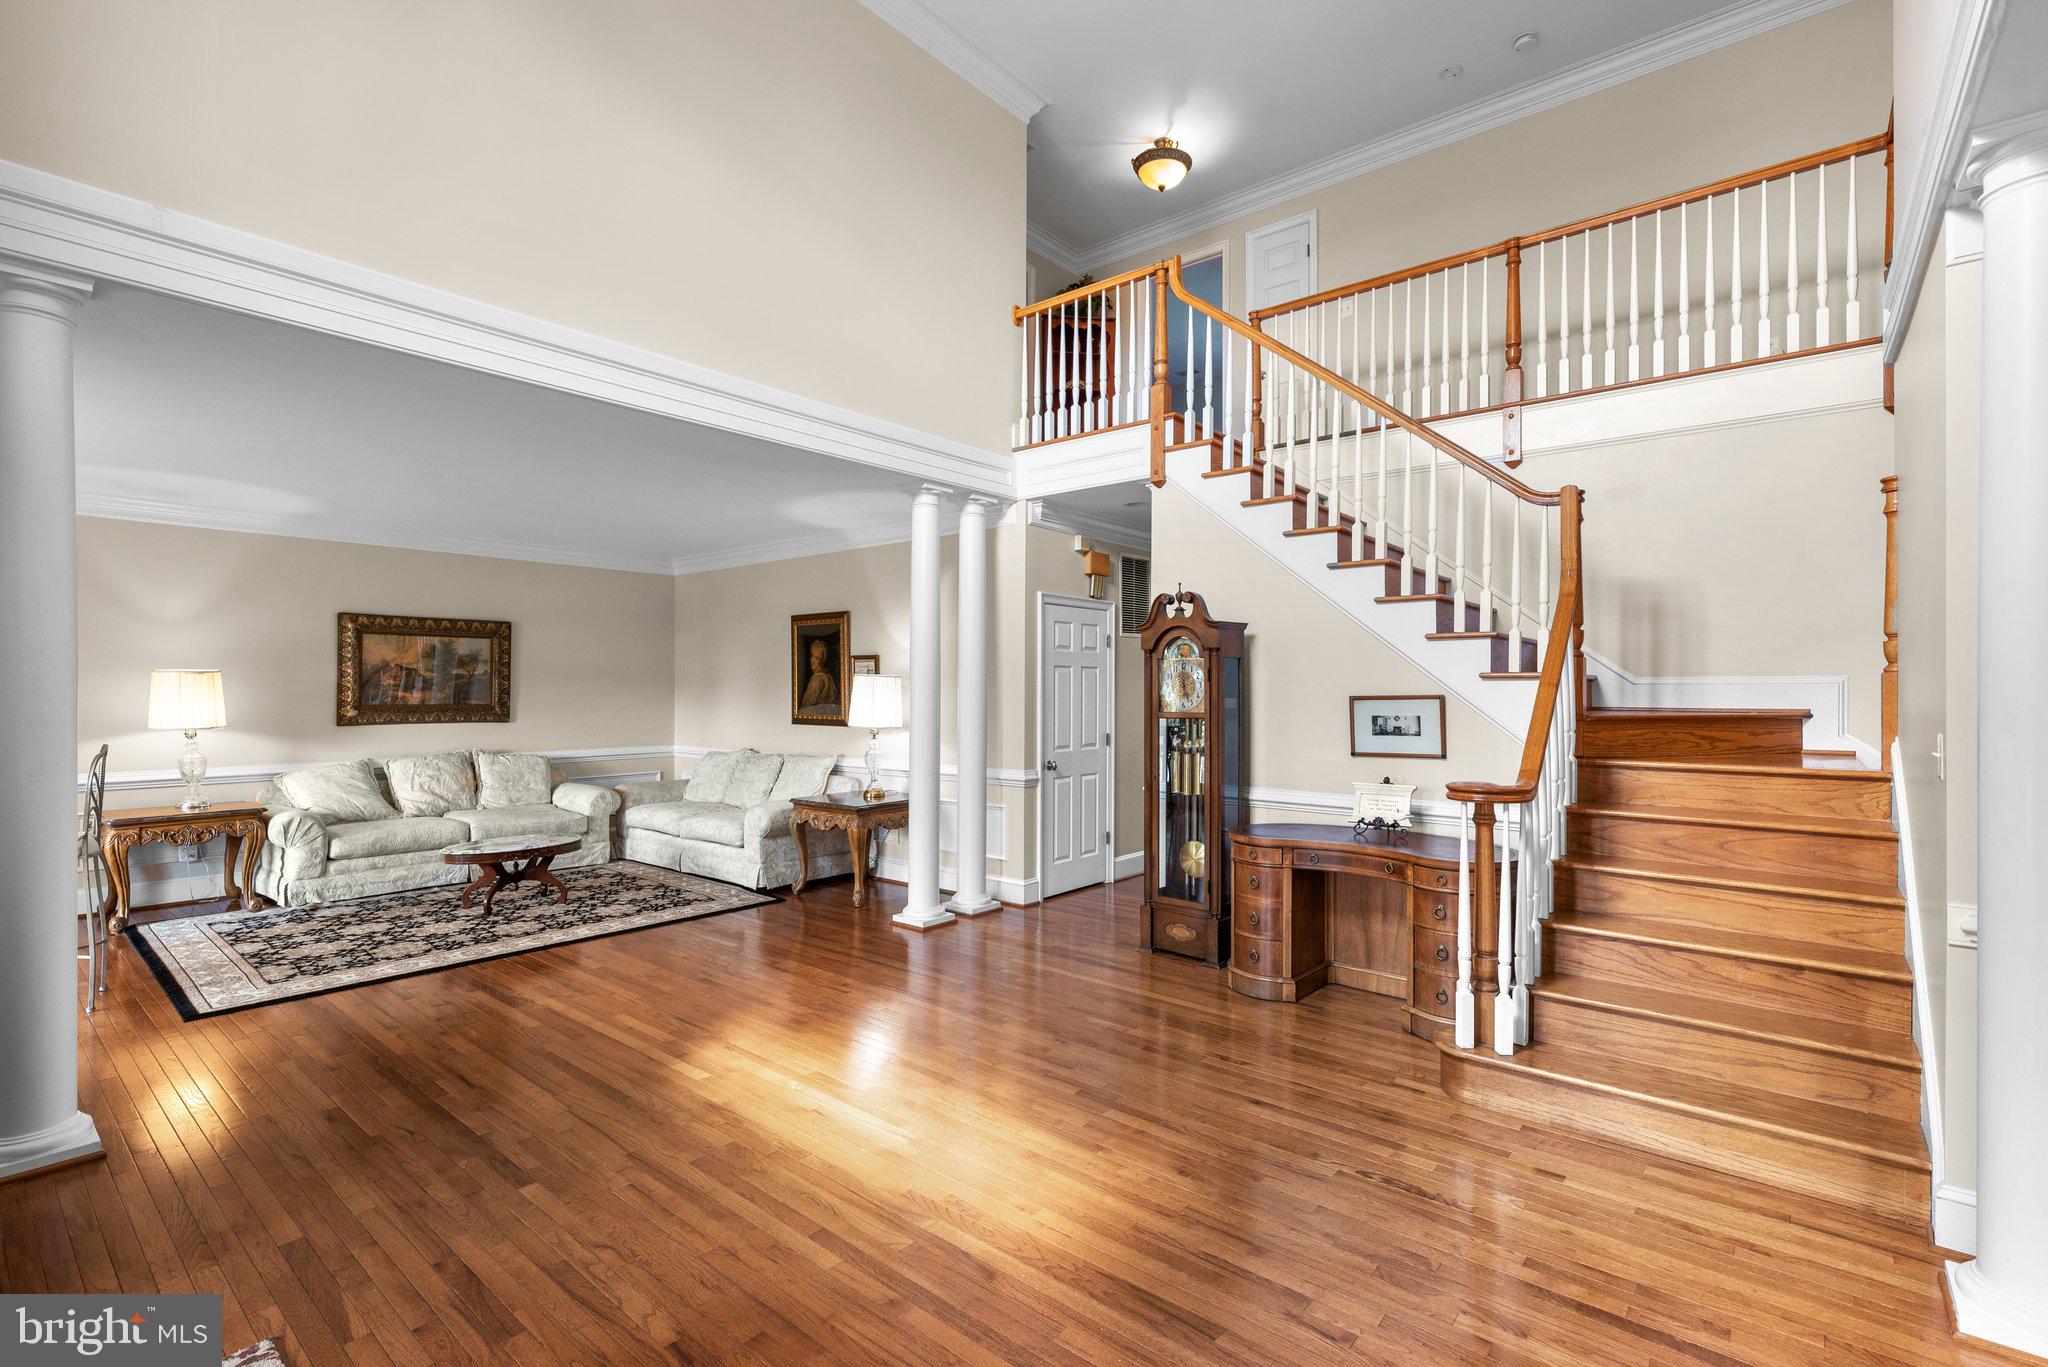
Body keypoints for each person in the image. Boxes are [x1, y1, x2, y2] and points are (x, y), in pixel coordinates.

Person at [801, 637, 838, 711]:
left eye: (817, 657)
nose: (812, 660)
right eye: (812, 656)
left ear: (822, 660)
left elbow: (804, 709)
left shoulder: (817, 680)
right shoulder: (827, 677)